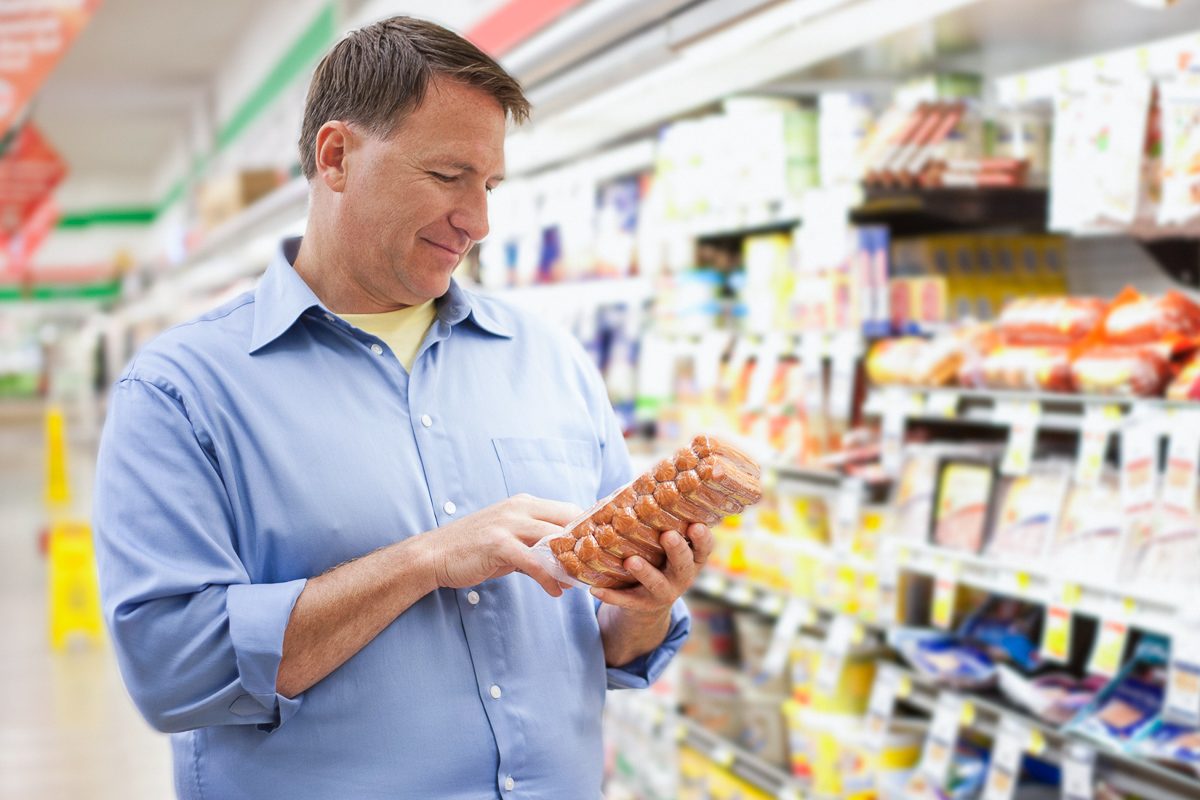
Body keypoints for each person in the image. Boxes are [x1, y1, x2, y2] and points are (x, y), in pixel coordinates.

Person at [93, 15, 709, 800]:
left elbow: (608, 646)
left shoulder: (549, 361)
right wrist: (423, 561)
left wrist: (644, 607)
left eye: (489, 186)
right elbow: (173, 671)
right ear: (337, 155)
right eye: (449, 176)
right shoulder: (183, 391)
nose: (478, 221)